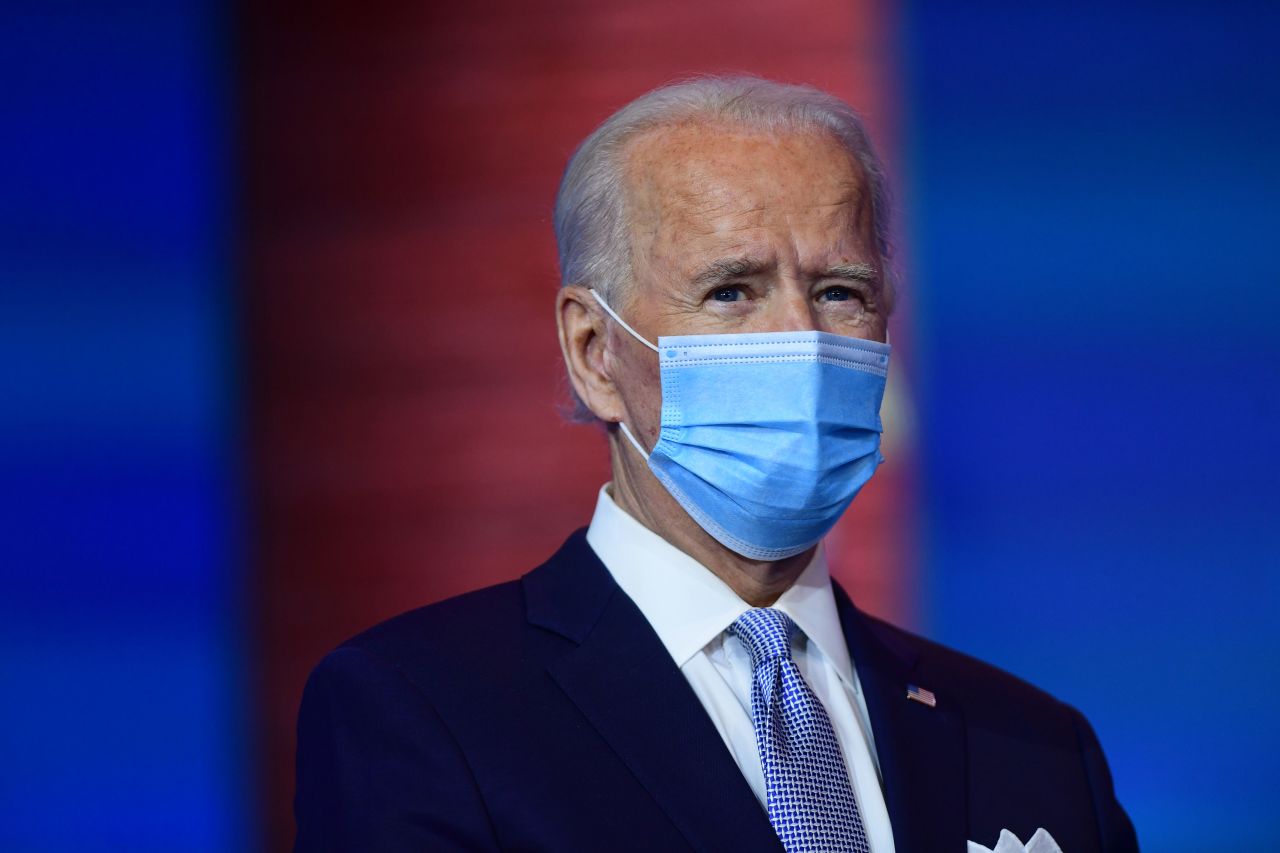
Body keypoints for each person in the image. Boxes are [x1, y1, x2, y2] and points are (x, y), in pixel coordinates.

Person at [293, 75, 1139, 853]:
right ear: (594, 352)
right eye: (732, 291)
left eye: (841, 290)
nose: (800, 338)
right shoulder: (420, 708)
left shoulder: (1034, 745)